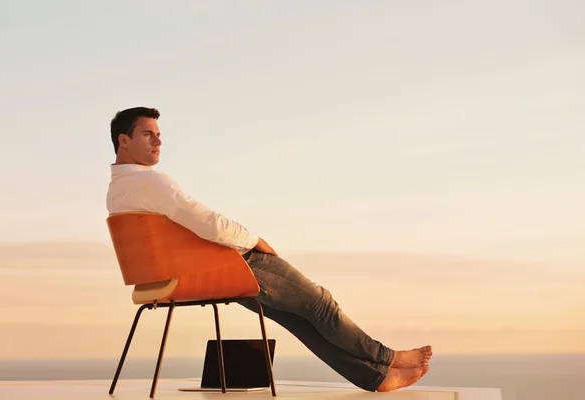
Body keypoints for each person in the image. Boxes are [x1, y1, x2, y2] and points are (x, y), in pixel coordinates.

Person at [106, 107, 432, 392]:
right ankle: (386, 357)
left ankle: (375, 377)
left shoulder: (117, 192)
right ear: (124, 140)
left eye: (159, 135)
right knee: (320, 304)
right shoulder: (152, 183)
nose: (158, 141)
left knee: (298, 318)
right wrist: (254, 240)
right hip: (225, 266)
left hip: (182, 275)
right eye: (148, 134)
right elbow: (208, 222)